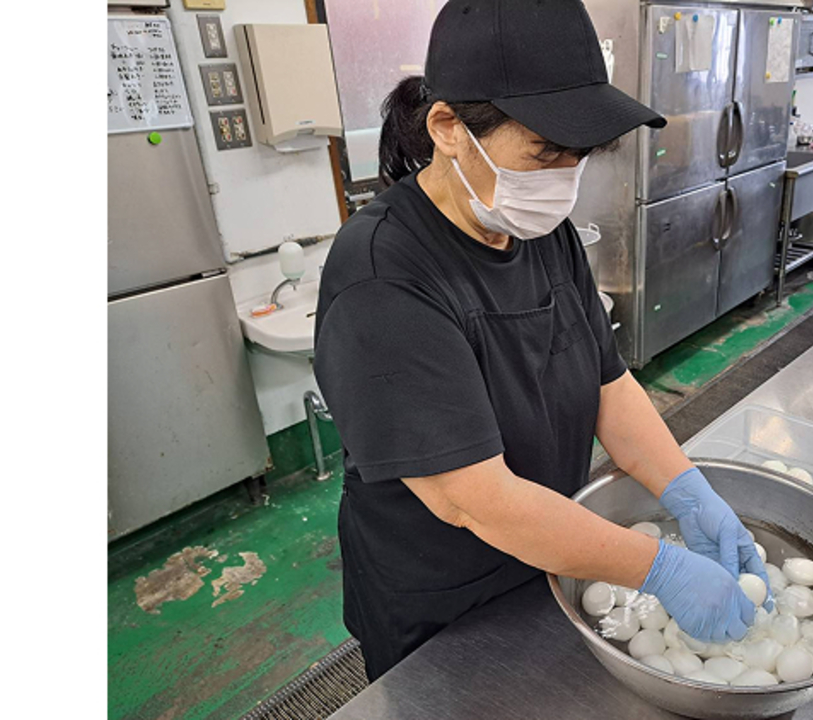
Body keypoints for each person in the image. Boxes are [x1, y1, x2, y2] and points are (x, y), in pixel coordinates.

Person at [314, 0, 767, 682]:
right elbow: (470, 497)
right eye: (545, 151)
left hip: (553, 550)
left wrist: (688, 490)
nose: (564, 176)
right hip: (444, 600)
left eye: (578, 155)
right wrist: (661, 569)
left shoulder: (536, 230)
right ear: (448, 127)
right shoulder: (383, 276)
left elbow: (607, 383)